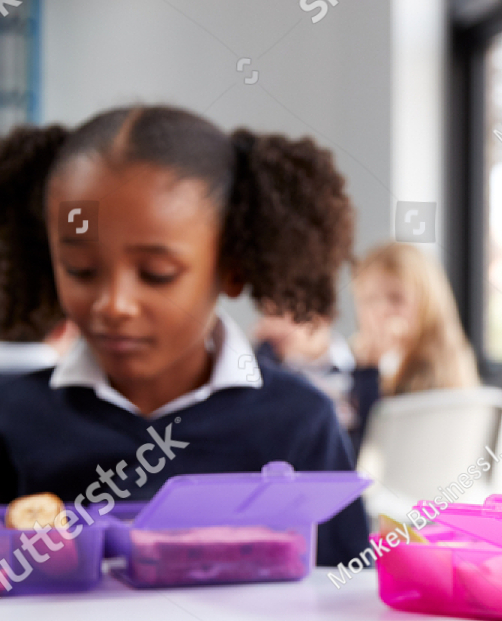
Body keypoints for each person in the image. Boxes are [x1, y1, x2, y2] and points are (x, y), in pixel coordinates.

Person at [0, 105, 368, 566]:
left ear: (232, 269)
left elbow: (344, 599)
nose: (114, 304)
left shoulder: (299, 424)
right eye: (80, 269)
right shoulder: (13, 419)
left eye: (157, 274)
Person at [351, 242, 479, 396]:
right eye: (369, 299)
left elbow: (374, 418)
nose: (381, 312)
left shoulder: (433, 369)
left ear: (428, 303)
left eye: (396, 298)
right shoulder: (351, 357)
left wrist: (369, 368)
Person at [253, 303, 380, 459]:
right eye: (267, 315)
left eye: (282, 314)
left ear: (321, 316)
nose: (273, 326)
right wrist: (262, 355)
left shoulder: (362, 370)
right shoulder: (272, 374)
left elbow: (374, 440)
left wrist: (370, 374)